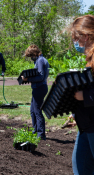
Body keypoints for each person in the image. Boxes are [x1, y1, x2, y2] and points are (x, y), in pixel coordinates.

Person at [68, 15, 94, 175]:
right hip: (86, 125)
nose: (75, 42)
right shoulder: (90, 58)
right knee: (81, 167)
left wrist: (84, 96)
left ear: (86, 36)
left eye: (76, 38)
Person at [21, 45, 49, 140]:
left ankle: (41, 134)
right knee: (32, 111)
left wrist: (28, 78)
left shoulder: (40, 61)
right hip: (38, 88)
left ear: (34, 54)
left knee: (37, 111)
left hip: (40, 88)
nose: (30, 58)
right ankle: (35, 130)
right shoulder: (39, 60)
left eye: (30, 56)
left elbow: (40, 77)